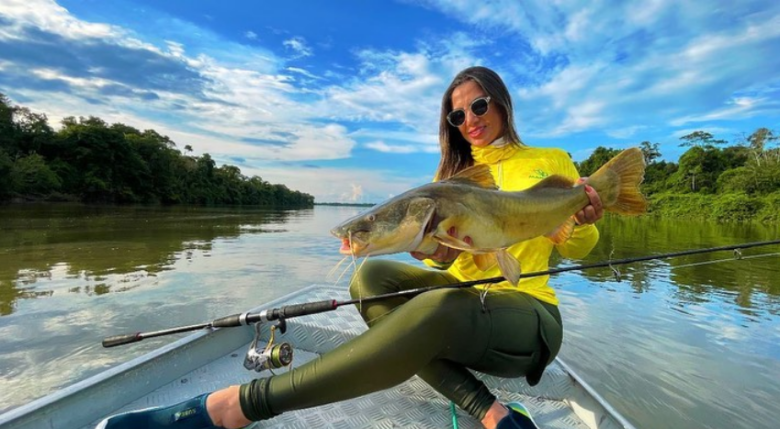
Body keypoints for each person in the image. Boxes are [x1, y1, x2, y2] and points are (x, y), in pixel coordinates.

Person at [97, 66, 603, 429]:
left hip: (529, 314)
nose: (469, 119)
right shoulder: (448, 180)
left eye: (477, 105)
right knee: (370, 281)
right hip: (466, 304)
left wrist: (581, 216)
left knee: (441, 304)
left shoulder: (548, 159)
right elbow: (447, 258)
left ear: (500, 102)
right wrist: (430, 250)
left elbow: (579, 247)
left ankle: (238, 406)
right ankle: (490, 411)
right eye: (456, 116)